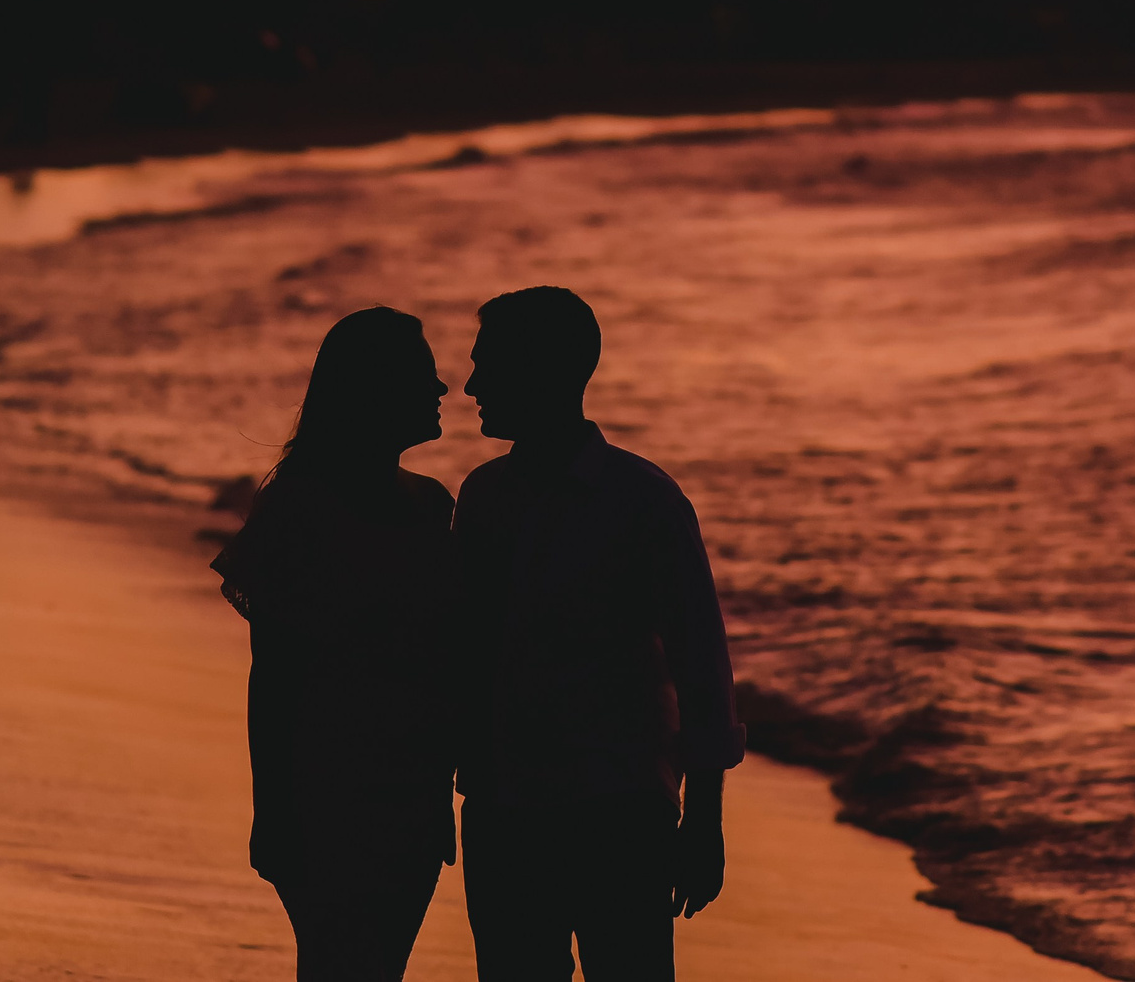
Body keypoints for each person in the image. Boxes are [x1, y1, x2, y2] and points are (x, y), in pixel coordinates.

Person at [453, 286, 744, 982]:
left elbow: (702, 664)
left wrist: (703, 822)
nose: (471, 385)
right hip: (503, 802)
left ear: (544, 371)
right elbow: (464, 654)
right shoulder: (484, 495)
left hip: (619, 804)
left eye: (488, 365)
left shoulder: (644, 501)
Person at [213, 306, 459, 982]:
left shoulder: (433, 504)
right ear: (377, 389)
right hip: (326, 790)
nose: (442, 388)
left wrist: (439, 794)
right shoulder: (300, 507)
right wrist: (273, 811)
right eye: (423, 374)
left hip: (409, 789)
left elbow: (439, 663)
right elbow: (276, 673)